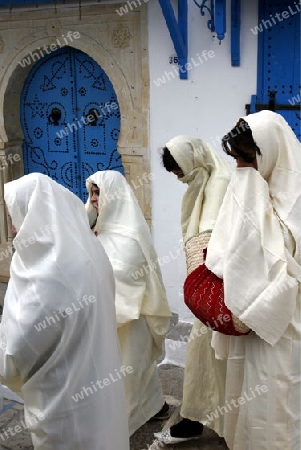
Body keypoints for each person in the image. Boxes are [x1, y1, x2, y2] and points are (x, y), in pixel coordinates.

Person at [0, 173, 129, 450]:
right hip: (101, 387)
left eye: (15, 215)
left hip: (61, 403)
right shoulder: (90, 251)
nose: (13, 229)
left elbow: (18, 348)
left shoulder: (40, 273)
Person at [205, 110, 301, 450]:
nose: (242, 171)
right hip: (248, 327)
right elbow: (221, 254)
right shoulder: (244, 191)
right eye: (237, 161)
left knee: (282, 406)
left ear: (271, 154)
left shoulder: (296, 200)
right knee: (251, 404)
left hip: (288, 328)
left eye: (249, 160)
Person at [155, 136, 233, 444]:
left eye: (180, 172)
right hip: (210, 287)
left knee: (223, 359)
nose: (180, 179)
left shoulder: (222, 181)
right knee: (206, 357)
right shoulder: (205, 179)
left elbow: (214, 238)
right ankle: (196, 418)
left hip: (223, 289)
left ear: (192, 161)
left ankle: (215, 423)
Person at [85, 170, 171, 436]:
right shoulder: (97, 227)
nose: (94, 199)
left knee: (129, 373)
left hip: (131, 315)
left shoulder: (130, 234)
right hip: (111, 315)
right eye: (91, 193)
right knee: (132, 371)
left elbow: (123, 275)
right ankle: (156, 408)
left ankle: (120, 429)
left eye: (98, 193)